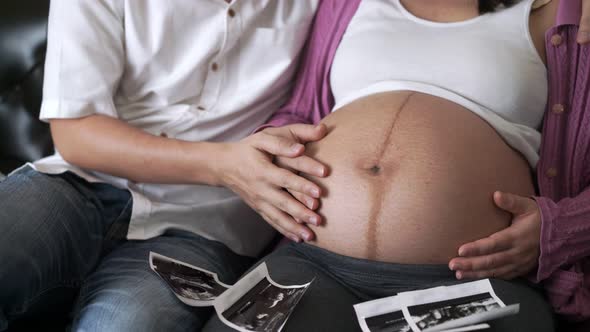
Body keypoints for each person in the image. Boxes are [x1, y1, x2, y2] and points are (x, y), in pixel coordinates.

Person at [202, 0, 590, 331]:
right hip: (313, 262)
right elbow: (301, 111)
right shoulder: (346, 4)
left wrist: (564, 227)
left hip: (472, 281)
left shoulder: (564, 12)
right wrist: (268, 150)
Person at [0, 1, 330, 331]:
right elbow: (76, 134)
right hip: (77, 183)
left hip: (201, 228)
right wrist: (223, 165)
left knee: (126, 325)